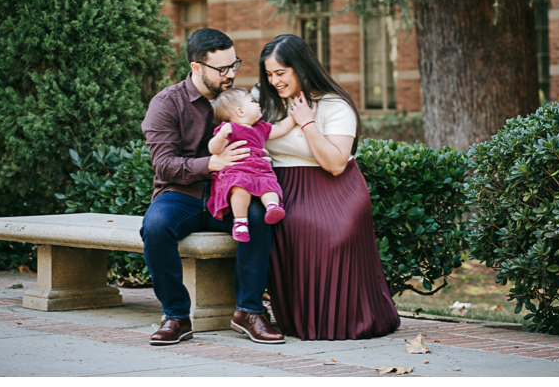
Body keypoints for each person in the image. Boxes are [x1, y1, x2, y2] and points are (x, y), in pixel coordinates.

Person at [140, 28, 284, 346]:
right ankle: (176, 316)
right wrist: (211, 164)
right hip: (182, 195)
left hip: (233, 193)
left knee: (260, 218)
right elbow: (164, 165)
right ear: (196, 67)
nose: (231, 74)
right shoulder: (166, 104)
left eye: (234, 65)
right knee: (155, 225)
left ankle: (249, 311)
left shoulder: (241, 101)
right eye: (222, 69)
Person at [259, 33, 401, 341]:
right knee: (282, 226)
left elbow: (336, 163)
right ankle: (296, 320)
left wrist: (307, 123)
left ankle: (348, 319)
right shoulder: (266, 103)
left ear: (301, 68)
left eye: (280, 73)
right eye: (269, 74)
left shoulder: (335, 106)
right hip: (281, 189)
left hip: (335, 190)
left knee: (330, 233)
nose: (274, 81)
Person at [207, 87, 295, 239]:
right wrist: (221, 137)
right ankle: (240, 222)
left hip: (260, 170)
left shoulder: (261, 128)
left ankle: (272, 207)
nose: (257, 103)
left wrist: (295, 116)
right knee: (239, 189)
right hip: (238, 171)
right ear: (240, 111)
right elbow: (213, 149)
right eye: (252, 101)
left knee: (269, 185)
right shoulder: (230, 129)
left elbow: (281, 128)